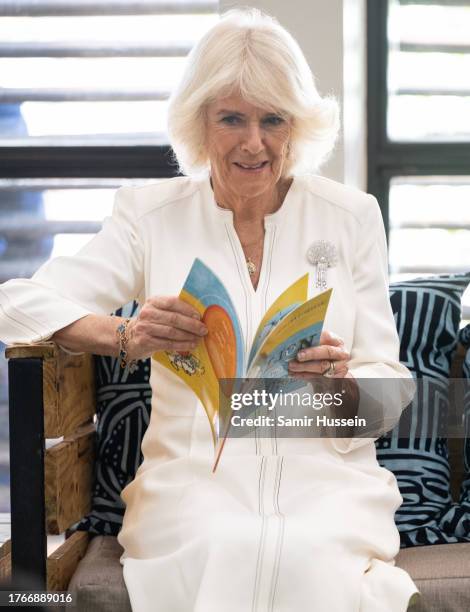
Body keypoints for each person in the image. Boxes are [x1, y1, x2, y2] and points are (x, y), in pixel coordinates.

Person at [0, 8, 421, 612]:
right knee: (231, 545)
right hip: (194, 483)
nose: (255, 142)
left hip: (328, 483)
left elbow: (393, 394)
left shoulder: (350, 217)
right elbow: (14, 303)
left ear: (297, 126)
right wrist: (125, 333)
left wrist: (343, 390)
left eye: (273, 119)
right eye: (232, 119)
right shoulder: (151, 215)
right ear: (200, 123)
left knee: (304, 554)